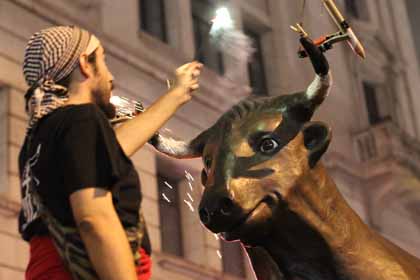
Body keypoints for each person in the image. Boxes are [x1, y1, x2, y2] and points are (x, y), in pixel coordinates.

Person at [18, 25, 202, 280]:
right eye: (103, 60)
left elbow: (107, 153)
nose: (111, 77)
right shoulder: (81, 119)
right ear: (85, 63)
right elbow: (93, 219)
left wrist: (177, 93)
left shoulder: (43, 135)